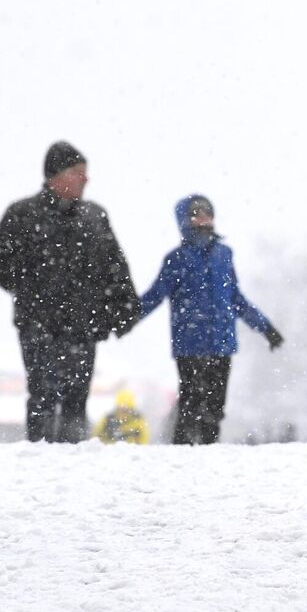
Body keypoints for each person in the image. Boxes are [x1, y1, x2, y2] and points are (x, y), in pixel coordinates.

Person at [0, 143, 141, 442]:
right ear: (55, 175)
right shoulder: (22, 215)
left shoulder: (94, 217)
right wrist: (33, 286)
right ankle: (41, 462)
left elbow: (115, 267)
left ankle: (73, 468)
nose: (85, 179)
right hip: (38, 325)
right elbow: (4, 269)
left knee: (76, 400)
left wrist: (125, 308)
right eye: (78, 173)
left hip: (83, 326)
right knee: (43, 396)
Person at [134, 195, 284, 445]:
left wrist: (265, 327)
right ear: (184, 220)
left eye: (207, 213)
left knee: (215, 408)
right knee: (191, 403)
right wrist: (126, 318)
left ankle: (209, 455)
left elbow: (236, 298)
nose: (203, 219)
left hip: (221, 343)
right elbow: (155, 295)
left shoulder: (224, 255)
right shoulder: (177, 259)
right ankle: (181, 455)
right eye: (196, 214)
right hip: (190, 345)